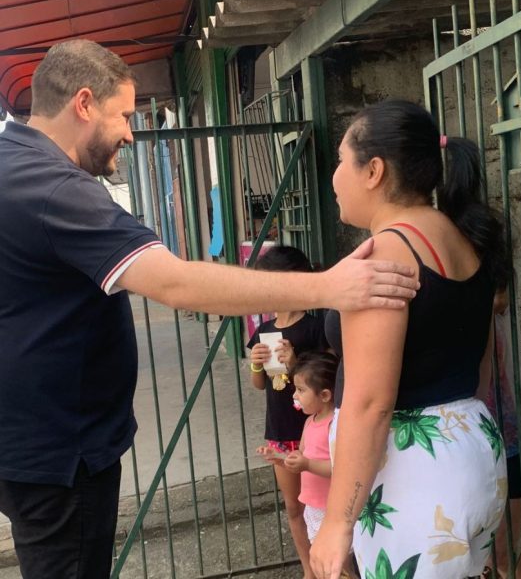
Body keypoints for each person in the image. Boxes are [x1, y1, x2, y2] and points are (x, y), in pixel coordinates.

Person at [0, 40, 420, 579]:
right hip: (59, 451)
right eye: (123, 115)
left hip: (25, 438)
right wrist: (329, 286)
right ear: (83, 103)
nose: (130, 132)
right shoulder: (55, 187)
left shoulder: (11, 160)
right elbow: (173, 283)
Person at [310, 100, 509, 579]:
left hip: (413, 482)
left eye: (340, 161)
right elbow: (479, 368)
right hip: (471, 452)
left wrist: (336, 523)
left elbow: (370, 403)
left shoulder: (386, 254)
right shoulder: (460, 239)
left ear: (373, 170)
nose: (335, 177)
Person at [248, 246, 329, 579]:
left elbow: (328, 376)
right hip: (281, 430)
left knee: (322, 502)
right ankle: (309, 569)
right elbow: (259, 384)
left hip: (315, 431)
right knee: (294, 505)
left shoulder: (314, 327)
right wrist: (255, 364)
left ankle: (334, 565)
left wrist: (296, 362)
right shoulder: (262, 330)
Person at [479, 289, 521, 579]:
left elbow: (499, 298)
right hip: (465, 441)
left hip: (509, 435)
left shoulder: (488, 261)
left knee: (502, 552)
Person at [284, 351, 357, 579]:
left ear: (325, 394)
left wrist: (306, 464)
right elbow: (303, 455)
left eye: (301, 390)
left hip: (332, 507)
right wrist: (281, 457)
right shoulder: (309, 421)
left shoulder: (336, 425)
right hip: (314, 507)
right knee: (326, 565)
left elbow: (339, 468)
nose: (295, 396)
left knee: (339, 567)